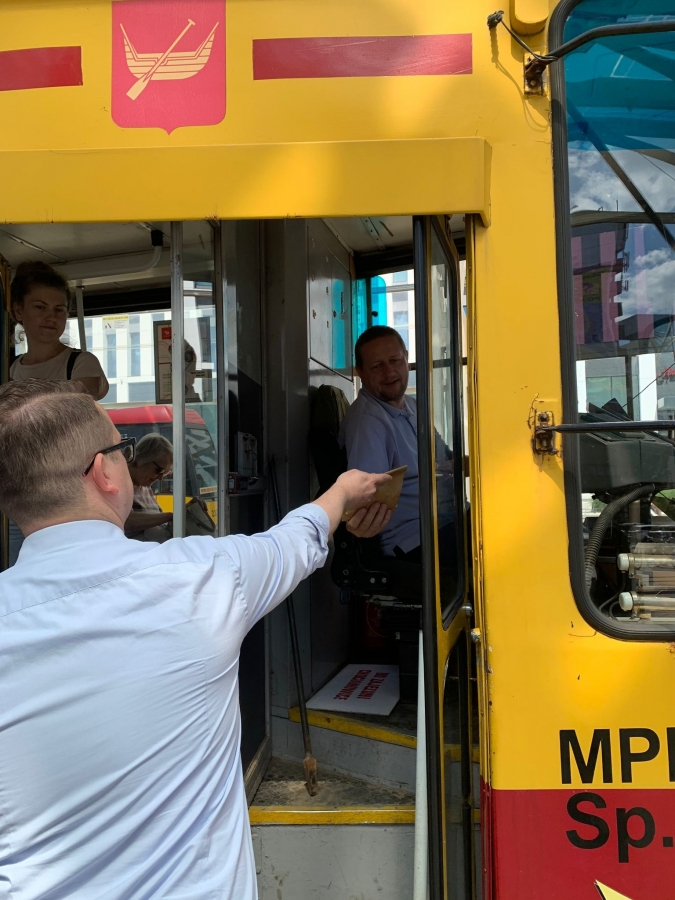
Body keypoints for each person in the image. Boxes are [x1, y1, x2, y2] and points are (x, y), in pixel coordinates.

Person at [0, 378, 391, 900]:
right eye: (122, 450)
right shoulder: (200, 577)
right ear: (104, 473)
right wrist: (343, 492)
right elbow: (292, 542)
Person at [339, 324, 456, 562]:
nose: (389, 372)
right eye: (377, 366)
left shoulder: (413, 405)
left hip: (446, 517)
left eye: (395, 360)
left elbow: (445, 456)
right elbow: (367, 499)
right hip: (415, 538)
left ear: (407, 360)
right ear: (360, 372)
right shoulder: (367, 422)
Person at [9, 260, 109, 400]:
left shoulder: (81, 363)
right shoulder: (9, 368)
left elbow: (76, 411)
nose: (51, 317)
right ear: (19, 311)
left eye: (59, 310)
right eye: (40, 307)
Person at [125, 432, 174, 539]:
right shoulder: (121, 483)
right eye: (159, 470)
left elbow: (157, 519)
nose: (160, 478)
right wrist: (170, 516)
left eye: (165, 473)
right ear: (140, 459)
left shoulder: (145, 487)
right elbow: (127, 521)